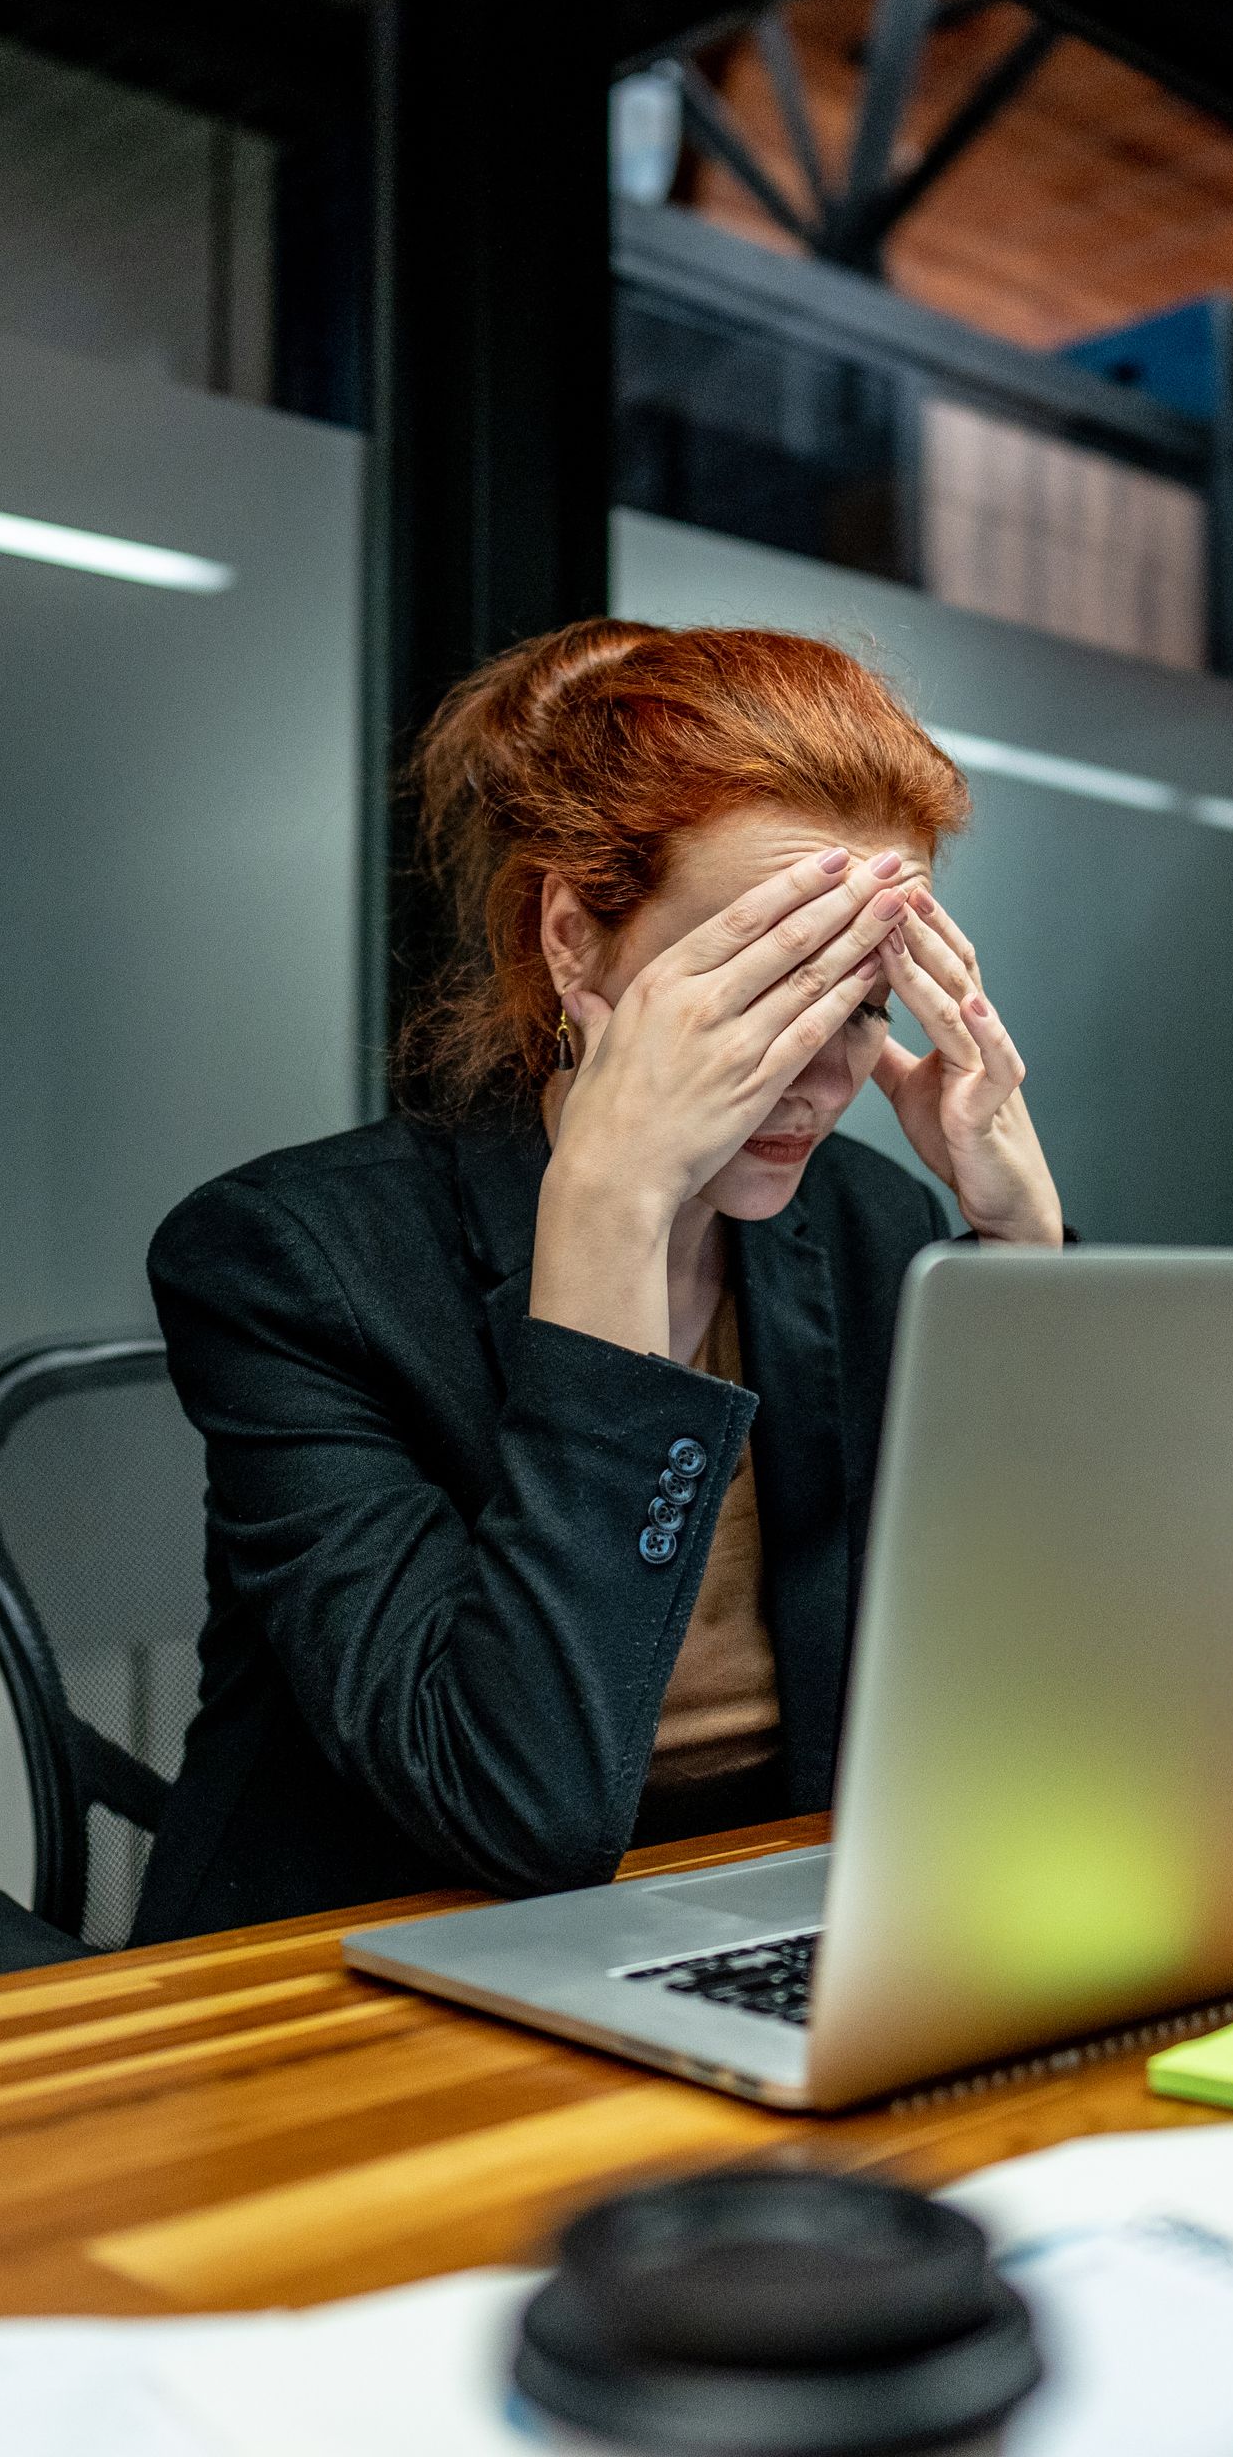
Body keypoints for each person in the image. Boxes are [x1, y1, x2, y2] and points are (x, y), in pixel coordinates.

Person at [133, 621, 1065, 1939]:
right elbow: (522, 1813)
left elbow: (1059, 1712)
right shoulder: (295, 1263)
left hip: (766, 1920)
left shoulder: (871, 1222)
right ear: (578, 944)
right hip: (371, 1969)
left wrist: (1024, 1253)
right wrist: (614, 1217)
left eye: (865, 1002)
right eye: (768, 990)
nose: (820, 1074)